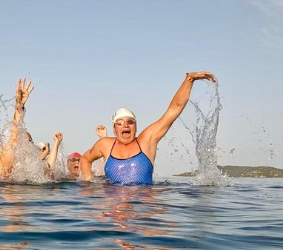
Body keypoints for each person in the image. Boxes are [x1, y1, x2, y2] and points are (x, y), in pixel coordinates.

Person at [80, 71, 216, 185]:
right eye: (120, 123)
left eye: (130, 121)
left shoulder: (146, 140)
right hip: (114, 208)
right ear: (114, 129)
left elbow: (175, 109)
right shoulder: (105, 144)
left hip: (143, 207)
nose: (125, 125)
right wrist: (88, 180)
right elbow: (85, 159)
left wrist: (189, 79)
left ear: (136, 126)